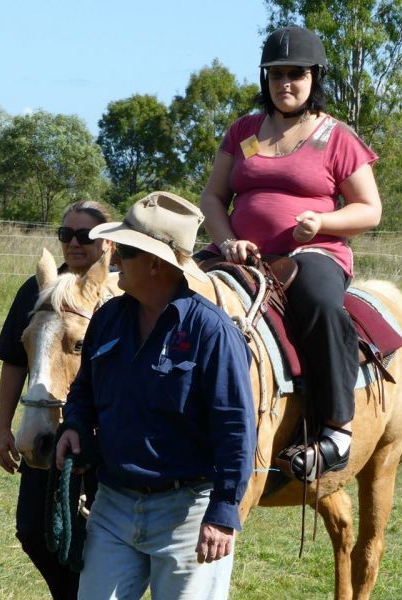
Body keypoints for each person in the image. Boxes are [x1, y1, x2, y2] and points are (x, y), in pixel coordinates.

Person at [200, 26, 382, 481]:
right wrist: (226, 241)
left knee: (320, 303)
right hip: (239, 254)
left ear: (314, 77)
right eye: (276, 74)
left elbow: (369, 209)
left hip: (312, 253)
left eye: (295, 74)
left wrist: (323, 223)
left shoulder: (336, 136)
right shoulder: (243, 131)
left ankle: (337, 430)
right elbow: (212, 199)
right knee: (172, 291)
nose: (285, 83)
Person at [55, 191, 256, 600]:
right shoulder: (108, 318)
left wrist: (222, 510)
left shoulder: (211, 332)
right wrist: (74, 423)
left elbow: (236, 426)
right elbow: (85, 390)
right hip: (111, 505)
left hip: (188, 514)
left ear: (155, 263)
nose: (113, 261)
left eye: (125, 251)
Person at [0, 200, 114, 599]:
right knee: (32, 529)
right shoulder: (38, 289)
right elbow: (14, 361)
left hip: (100, 436)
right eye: (66, 235)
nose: (74, 243)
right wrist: (2, 429)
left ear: (107, 241)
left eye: (86, 235)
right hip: (43, 426)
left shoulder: (119, 294)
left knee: (92, 534)